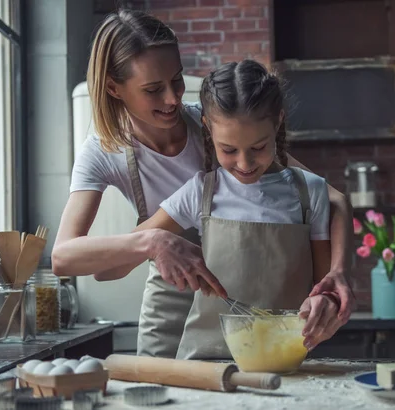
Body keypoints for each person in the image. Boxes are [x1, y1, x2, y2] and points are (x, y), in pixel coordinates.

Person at [52, 9, 354, 358]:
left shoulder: (218, 125)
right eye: (153, 89)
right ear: (113, 88)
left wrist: (338, 274)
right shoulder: (103, 152)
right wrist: (152, 240)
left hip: (234, 308)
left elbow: (333, 200)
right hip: (170, 306)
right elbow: (65, 258)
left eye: (177, 80)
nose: (172, 99)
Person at [133, 59, 338, 358]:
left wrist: (325, 303)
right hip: (206, 364)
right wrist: (156, 243)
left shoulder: (311, 193)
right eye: (228, 150)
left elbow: (324, 286)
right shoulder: (199, 193)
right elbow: (129, 247)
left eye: (258, 148)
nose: (244, 164)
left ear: (278, 122)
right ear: (207, 128)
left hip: (286, 360)